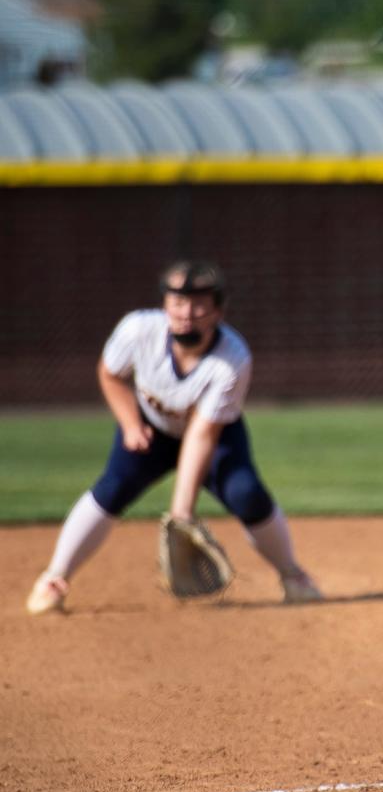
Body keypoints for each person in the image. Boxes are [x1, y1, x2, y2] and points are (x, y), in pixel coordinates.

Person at [26, 259, 322, 615]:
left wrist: (182, 512)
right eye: (178, 301)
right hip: (150, 428)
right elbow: (110, 375)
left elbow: (201, 434)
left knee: (246, 492)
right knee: (113, 487)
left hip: (214, 436)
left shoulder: (232, 358)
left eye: (199, 304)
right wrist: (131, 424)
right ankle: (54, 580)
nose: (187, 312)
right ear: (165, 304)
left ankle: (293, 576)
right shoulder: (138, 329)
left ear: (218, 311)